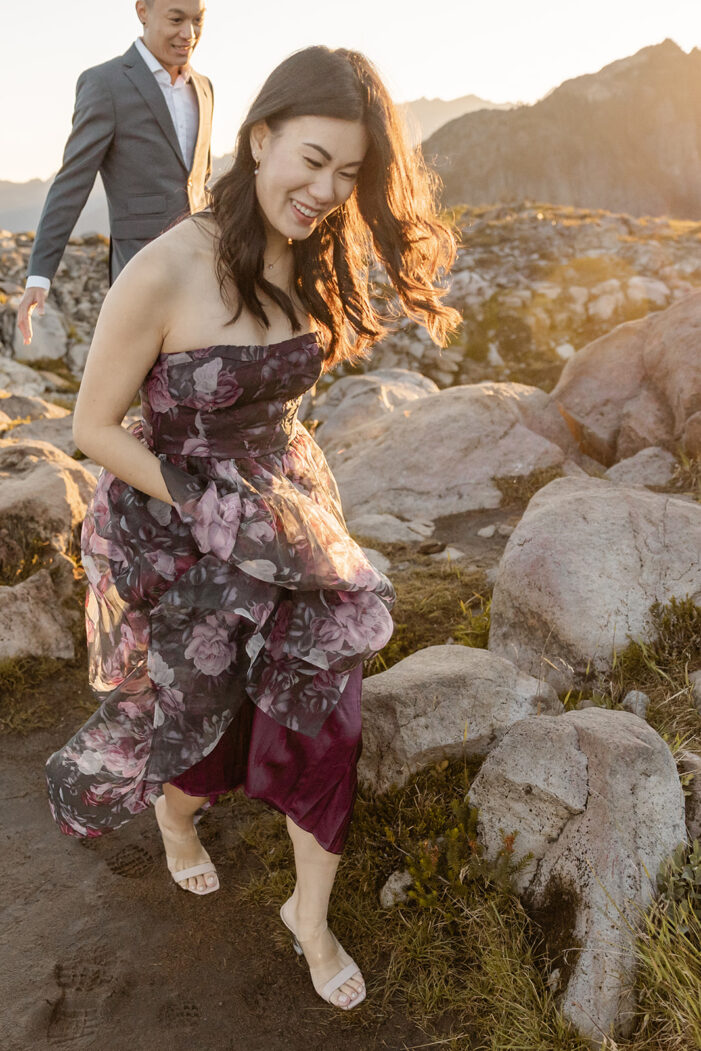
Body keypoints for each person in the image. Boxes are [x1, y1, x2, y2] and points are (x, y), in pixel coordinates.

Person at [45, 45, 460, 1011]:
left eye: (348, 175)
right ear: (260, 137)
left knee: (324, 716)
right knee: (206, 733)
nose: (325, 190)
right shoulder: (164, 268)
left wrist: (283, 491)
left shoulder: (309, 250)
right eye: (311, 160)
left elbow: (271, 392)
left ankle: (307, 918)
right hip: (177, 524)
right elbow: (90, 427)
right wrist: (206, 503)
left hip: (280, 510)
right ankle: (178, 821)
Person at [17, 0, 212, 345]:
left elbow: (201, 181)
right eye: (177, 19)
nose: (190, 34)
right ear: (142, 12)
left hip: (203, 269)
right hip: (140, 270)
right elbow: (72, 182)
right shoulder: (104, 83)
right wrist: (39, 276)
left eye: (198, 20)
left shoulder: (205, 88)